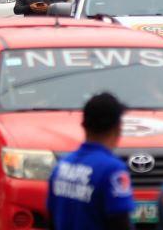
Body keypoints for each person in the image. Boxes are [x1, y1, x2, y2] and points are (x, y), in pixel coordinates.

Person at [47, 92, 133, 230]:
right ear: (118, 128)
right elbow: (120, 223)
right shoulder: (113, 170)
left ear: (84, 125)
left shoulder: (61, 167)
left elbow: (52, 221)